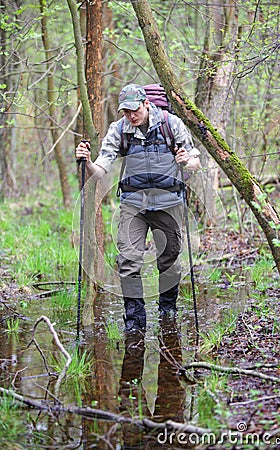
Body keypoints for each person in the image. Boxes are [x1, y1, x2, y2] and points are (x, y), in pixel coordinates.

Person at [76, 83, 200, 333]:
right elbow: (100, 171)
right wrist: (87, 162)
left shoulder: (171, 124)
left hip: (169, 203)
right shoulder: (119, 130)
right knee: (128, 261)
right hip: (134, 205)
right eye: (126, 111)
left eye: (135, 110)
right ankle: (135, 321)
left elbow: (196, 162)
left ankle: (168, 309)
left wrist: (186, 161)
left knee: (169, 260)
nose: (131, 116)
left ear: (146, 104)